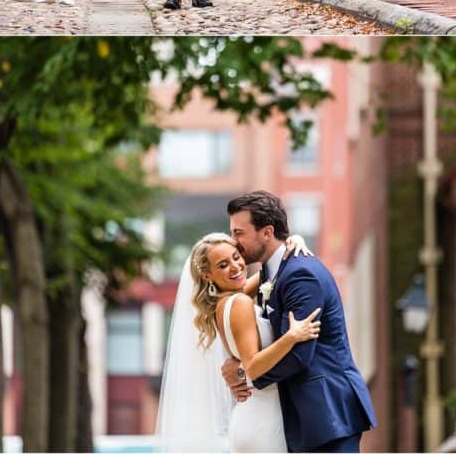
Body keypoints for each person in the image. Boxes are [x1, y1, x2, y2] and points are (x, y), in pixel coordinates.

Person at [222, 192, 376, 453]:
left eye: (239, 233)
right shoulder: (270, 272)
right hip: (302, 417)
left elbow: (299, 354)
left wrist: (247, 376)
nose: (234, 243)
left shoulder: (300, 275)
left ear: (267, 232)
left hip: (327, 414)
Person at [157, 232, 318, 453]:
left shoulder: (223, 304)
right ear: (207, 275)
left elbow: (268, 273)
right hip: (264, 419)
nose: (235, 267)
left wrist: (294, 241)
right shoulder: (239, 303)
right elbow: (252, 365)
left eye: (236, 257)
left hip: (250, 413)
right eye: (223, 265)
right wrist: (291, 337)